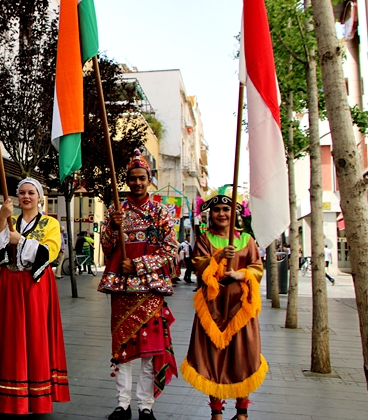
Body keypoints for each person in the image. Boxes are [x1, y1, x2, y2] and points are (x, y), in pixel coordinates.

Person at [0, 177, 70, 414]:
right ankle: (8, 391)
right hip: (9, 284)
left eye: (31, 193)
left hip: (35, 286)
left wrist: (21, 241)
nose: (26, 197)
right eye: (22, 193)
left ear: (39, 198)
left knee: (35, 336)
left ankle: (35, 394)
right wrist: (0, 219)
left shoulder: (50, 224)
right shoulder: (10, 221)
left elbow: (50, 252)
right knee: (9, 335)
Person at [98, 149, 179, 420]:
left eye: (141, 178)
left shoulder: (161, 211)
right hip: (121, 288)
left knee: (149, 350)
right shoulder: (115, 210)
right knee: (121, 346)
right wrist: (112, 226)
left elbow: (170, 249)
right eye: (132, 178)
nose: (137, 183)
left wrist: (139, 264)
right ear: (127, 180)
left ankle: (146, 406)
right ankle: (123, 404)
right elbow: (107, 247)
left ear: (150, 179)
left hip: (151, 288)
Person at [181, 187, 268, 420]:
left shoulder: (247, 240)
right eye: (217, 209)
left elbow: (257, 268)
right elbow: (198, 266)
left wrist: (240, 275)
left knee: (243, 355)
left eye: (226, 209)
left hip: (241, 307)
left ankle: (242, 412)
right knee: (212, 357)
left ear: (235, 212)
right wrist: (218, 257)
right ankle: (216, 412)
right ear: (211, 213)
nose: (221, 214)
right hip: (212, 308)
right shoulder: (203, 239)